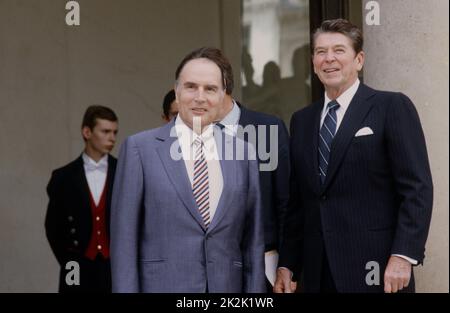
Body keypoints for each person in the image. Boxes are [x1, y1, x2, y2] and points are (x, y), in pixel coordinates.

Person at [274, 19, 433, 293]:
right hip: (317, 273)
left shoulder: (391, 107)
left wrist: (403, 256)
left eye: (339, 50)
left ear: (359, 60)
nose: (329, 59)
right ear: (313, 62)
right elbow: (298, 203)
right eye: (321, 52)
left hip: (378, 270)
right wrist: (288, 263)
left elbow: (417, 189)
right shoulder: (302, 120)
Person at [110, 47, 265, 293]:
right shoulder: (140, 149)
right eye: (191, 86)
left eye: (210, 89)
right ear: (177, 91)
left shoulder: (244, 153)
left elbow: (253, 242)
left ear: (223, 95)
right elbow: (124, 243)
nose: (200, 97)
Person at [216, 93, 289, 290]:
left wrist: (288, 266)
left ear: (224, 86)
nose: (199, 96)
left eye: (208, 87)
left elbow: (287, 204)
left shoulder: (268, 128)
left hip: (264, 270)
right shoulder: (184, 134)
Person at [45, 105, 119, 292]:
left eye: (114, 132)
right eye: (105, 131)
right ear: (87, 132)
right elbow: (53, 227)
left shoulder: (124, 172)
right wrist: (69, 260)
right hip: (75, 263)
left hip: (113, 264)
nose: (112, 138)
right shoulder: (63, 177)